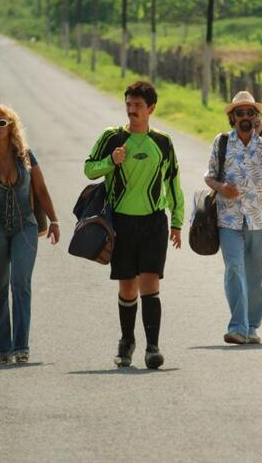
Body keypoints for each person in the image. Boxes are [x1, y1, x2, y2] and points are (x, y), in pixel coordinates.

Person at [84, 81, 184, 369]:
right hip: (122, 222)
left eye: (138, 105)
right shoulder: (111, 137)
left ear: (151, 108)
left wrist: (176, 222)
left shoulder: (163, 142)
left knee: (150, 283)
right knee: (128, 286)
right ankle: (126, 342)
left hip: (154, 222)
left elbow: (173, 180)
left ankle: (153, 347)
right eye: (128, 104)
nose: (132, 110)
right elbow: (89, 168)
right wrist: (111, 161)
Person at [0, 105, 60, 364]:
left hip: (26, 227)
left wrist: (54, 220)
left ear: (11, 125)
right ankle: (3, 349)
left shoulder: (26, 156)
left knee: (20, 283)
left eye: (2, 123)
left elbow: (41, 190)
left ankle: (21, 346)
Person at [204, 91, 262, 345]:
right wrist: (221, 188)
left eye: (250, 113)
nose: (245, 117)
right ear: (232, 117)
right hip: (228, 218)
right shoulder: (221, 142)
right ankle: (238, 326)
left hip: (260, 217)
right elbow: (209, 175)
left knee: (255, 276)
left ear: (257, 116)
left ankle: (252, 325)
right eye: (239, 113)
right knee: (234, 268)